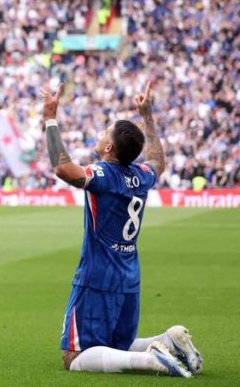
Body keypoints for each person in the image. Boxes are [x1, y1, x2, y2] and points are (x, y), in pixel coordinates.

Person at [42, 80, 203, 377]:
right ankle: (168, 342)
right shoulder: (141, 175)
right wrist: (148, 117)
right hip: (129, 276)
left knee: (73, 356)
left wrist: (50, 119)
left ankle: (151, 360)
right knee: (120, 344)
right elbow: (157, 160)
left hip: (97, 276)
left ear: (108, 147)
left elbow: (64, 169)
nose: (101, 133)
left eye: (105, 132)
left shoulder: (103, 174)